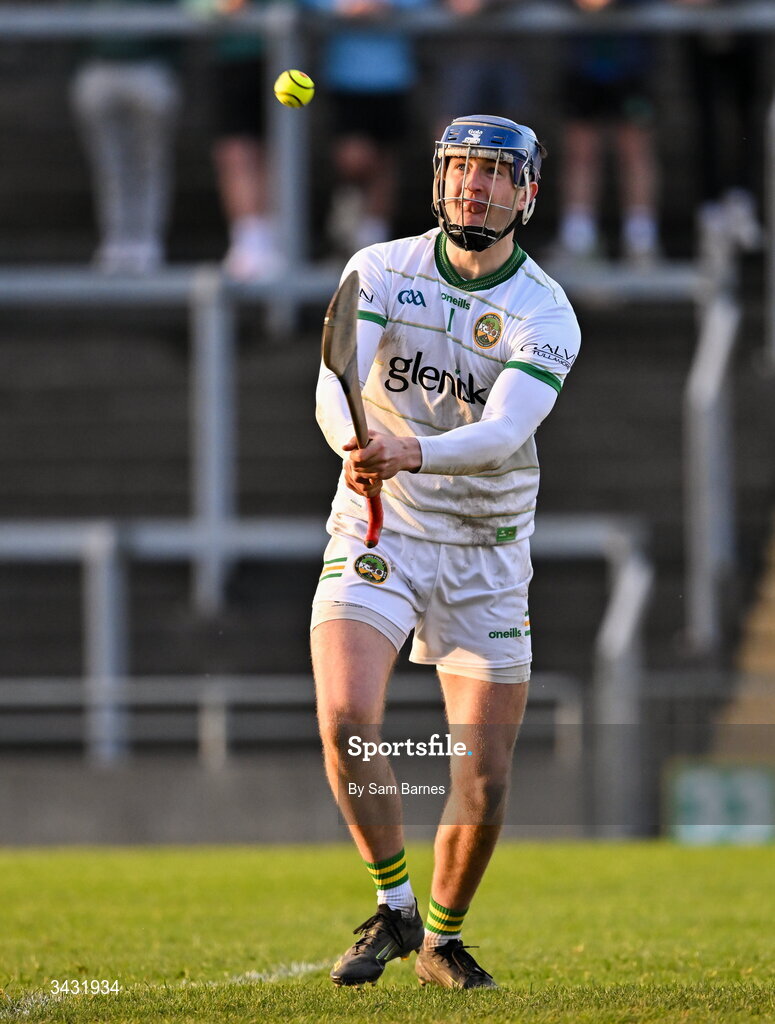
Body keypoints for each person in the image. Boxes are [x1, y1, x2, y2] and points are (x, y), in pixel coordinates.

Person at [311, 114, 581, 989]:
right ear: (437, 179)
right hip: (380, 523)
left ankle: (440, 939)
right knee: (347, 719)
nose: (474, 184)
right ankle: (391, 908)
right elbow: (333, 383)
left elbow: (505, 431)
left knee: (483, 777)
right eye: (460, 167)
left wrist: (413, 449)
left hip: (486, 548)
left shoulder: (543, 312)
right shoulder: (379, 268)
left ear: (527, 194)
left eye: (497, 173)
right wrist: (351, 447)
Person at [301, 0, 428, 258]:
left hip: (394, 76)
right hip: (345, 77)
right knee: (355, 158)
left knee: (385, 161)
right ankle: (347, 213)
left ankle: (373, 242)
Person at [70, 0, 181, 273]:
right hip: (98, 68)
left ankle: (147, 242)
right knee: (111, 166)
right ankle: (116, 241)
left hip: (152, 69)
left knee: (151, 162)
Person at [552, 0, 660, 265]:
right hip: (582, 60)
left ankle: (641, 241)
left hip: (632, 60)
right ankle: (578, 240)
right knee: (580, 150)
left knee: (635, 148)